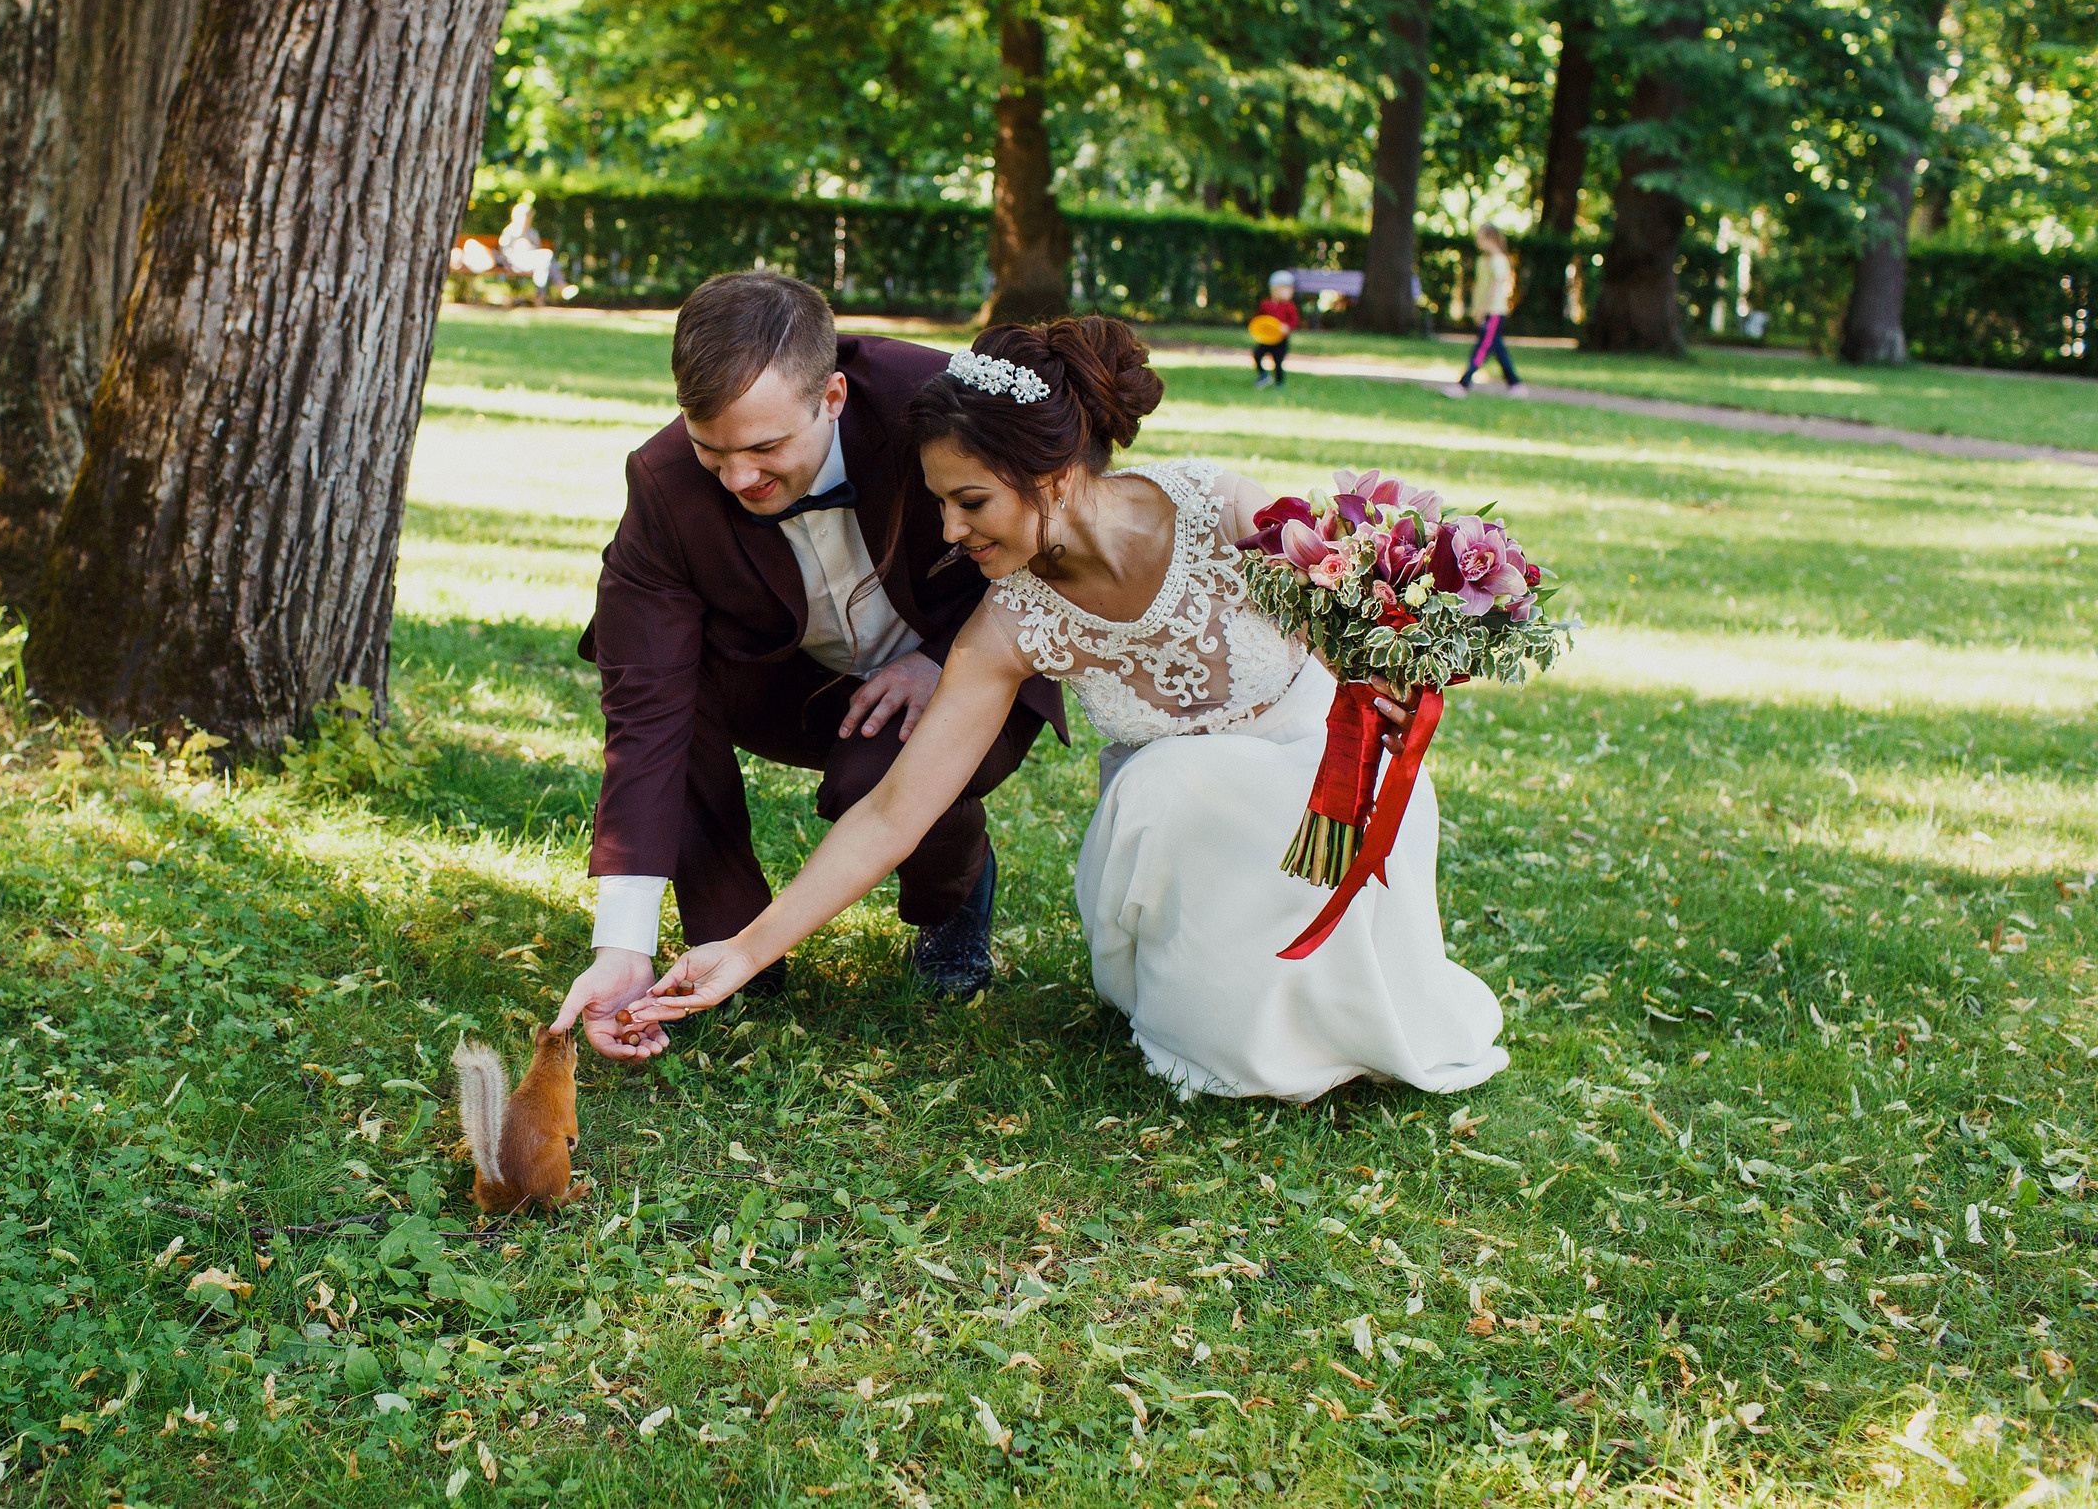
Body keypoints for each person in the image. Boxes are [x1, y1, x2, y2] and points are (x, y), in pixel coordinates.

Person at [625, 316, 1508, 1102]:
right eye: (939, 504)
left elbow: (1351, 603)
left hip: (1316, 765)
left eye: (969, 502)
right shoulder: (1008, 624)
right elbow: (895, 811)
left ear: (1049, 475)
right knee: (1174, 784)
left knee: (1343, 795)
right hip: (1180, 833)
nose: (949, 532)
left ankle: (1351, 1007)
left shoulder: (1222, 511)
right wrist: (746, 948)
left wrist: (1387, 677)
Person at [549, 272, 1068, 1060]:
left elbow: (1059, 511)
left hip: (961, 659)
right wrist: (620, 941)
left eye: (764, 449)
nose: (738, 480)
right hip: (793, 677)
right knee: (668, 694)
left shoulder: (935, 400)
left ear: (831, 396)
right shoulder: (662, 482)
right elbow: (643, 709)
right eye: (711, 450)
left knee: (874, 780)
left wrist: (944, 661)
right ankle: (727, 946)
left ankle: (953, 900)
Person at [1447, 224, 1522, 399]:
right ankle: (1515, 384)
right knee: (1498, 350)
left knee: (1482, 349)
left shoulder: (1499, 260)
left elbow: (1494, 288)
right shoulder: (1484, 261)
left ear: (1490, 238)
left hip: (1494, 311)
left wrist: (1484, 309)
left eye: (1480, 238)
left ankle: (1463, 384)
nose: (1477, 242)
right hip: (1487, 311)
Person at [1251, 271, 1300, 389]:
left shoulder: (1289, 306)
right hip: (1267, 338)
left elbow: (1294, 322)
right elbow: (1258, 319)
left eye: (1291, 289)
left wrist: (1287, 327)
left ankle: (1279, 383)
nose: (1289, 292)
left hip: (1280, 340)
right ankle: (1263, 375)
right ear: (1274, 289)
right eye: (1286, 289)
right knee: (1257, 354)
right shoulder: (1266, 304)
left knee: (1278, 362)